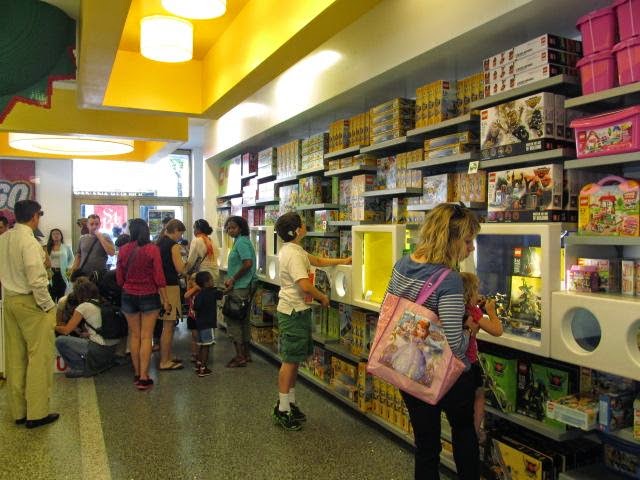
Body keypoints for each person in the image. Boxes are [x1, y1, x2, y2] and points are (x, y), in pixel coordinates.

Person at [385, 202, 481, 480]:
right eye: (467, 241)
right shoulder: (449, 280)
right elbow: (456, 344)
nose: (471, 248)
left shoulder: (402, 264)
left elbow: (387, 312)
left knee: (426, 446)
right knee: (464, 433)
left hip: (408, 367)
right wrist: (471, 329)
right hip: (448, 376)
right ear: (449, 238)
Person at [272, 212, 352, 431]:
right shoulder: (293, 254)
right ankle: (282, 409)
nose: (305, 225)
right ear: (297, 230)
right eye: (302, 223)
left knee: (295, 358)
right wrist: (322, 297)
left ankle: (290, 403)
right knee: (290, 360)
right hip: (293, 312)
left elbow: (317, 261)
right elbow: (304, 285)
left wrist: (343, 261)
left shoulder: (294, 250)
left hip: (297, 311)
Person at [0, 200, 59, 428]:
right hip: (31, 303)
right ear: (35, 216)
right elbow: (36, 280)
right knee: (39, 358)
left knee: (15, 357)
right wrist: (48, 306)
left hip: (10, 300)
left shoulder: (4, 238)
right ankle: (37, 413)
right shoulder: (30, 242)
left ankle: (19, 411)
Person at [116, 218, 170, 390]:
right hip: (149, 295)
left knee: (134, 335)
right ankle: (144, 377)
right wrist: (166, 300)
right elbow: (159, 277)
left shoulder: (123, 249)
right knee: (147, 336)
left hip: (128, 295)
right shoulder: (153, 249)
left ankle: (137, 373)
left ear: (131, 231)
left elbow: (119, 278)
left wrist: (127, 285)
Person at [460, 272, 503, 441]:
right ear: (470, 294)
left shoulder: (459, 308)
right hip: (470, 362)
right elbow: (497, 331)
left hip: (456, 361)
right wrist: (491, 311)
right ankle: (476, 431)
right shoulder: (473, 312)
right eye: (476, 291)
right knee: (479, 394)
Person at [54, 281, 118, 378]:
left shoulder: (83, 306)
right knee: (85, 338)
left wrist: (53, 326)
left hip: (98, 349)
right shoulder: (103, 302)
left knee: (60, 341)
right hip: (112, 349)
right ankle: (102, 364)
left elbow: (66, 330)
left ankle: (79, 367)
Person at [223, 216, 257, 368]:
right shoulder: (240, 241)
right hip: (243, 285)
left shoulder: (241, 242)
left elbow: (247, 263)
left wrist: (233, 279)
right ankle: (246, 354)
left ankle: (240, 356)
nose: (230, 230)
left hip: (241, 286)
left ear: (241, 228)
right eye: (228, 228)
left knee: (234, 320)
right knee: (243, 320)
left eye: (233, 227)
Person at [156, 219, 187, 370]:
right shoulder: (173, 246)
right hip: (170, 287)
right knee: (168, 326)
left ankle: (168, 355)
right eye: (180, 233)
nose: (180, 237)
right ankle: (165, 361)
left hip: (160, 287)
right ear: (175, 231)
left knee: (166, 325)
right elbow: (180, 269)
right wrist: (189, 264)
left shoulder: (159, 243)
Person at [70, 214, 115, 280]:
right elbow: (78, 255)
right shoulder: (82, 238)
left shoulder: (105, 236)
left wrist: (100, 237)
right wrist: (73, 269)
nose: (94, 226)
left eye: (96, 224)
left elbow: (111, 253)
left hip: (99, 275)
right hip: (83, 274)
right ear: (87, 225)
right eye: (91, 224)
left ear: (100, 224)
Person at [193, 271, 218, 377]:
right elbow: (224, 293)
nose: (213, 280)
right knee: (206, 347)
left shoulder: (199, 295)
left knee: (201, 345)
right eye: (211, 279)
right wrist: (230, 287)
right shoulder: (213, 293)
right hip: (208, 324)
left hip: (199, 324)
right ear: (207, 283)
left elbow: (195, 307)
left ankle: (198, 364)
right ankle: (203, 368)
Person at [44, 228, 74, 302]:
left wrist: (69, 269)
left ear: (61, 236)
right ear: (51, 236)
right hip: (51, 273)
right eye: (54, 234)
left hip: (62, 273)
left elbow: (72, 259)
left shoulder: (66, 247)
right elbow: (43, 259)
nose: (56, 235)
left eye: (58, 233)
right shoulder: (47, 247)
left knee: (61, 295)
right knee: (51, 294)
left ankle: (60, 308)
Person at [184, 277, 200, 364]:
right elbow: (186, 295)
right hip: (192, 317)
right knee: (194, 337)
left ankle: (200, 353)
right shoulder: (191, 291)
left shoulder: (203, 291)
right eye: (194, 280)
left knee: (201, 337)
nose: (196, 282)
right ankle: (194, 354)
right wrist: (195, 288)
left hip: (202, 318)